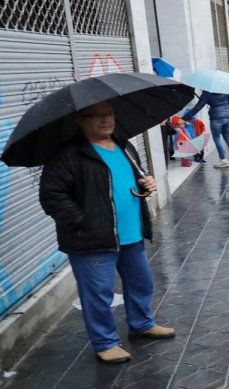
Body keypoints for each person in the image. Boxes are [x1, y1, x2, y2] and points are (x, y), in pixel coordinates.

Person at [38, 101, 174, 364]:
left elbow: (132, 179)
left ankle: (142, 323)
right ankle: (105, 342)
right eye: (97, 116)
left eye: (109, 114)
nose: (106, 120)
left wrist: (145, 183)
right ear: (80, 120)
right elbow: (52, 196)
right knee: (99, 293)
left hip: (131, 233)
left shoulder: (124, 146)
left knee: (141, 282)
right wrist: (83, 222)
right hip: (92, 239)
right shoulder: (68, 155)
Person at [183, 90, 229, 168]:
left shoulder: (207, 93)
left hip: (216, 118)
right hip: (228, 116)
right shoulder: (224, 90)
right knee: (228, 137)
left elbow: (198, 107)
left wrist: (184, 118)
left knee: (217, 138)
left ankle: (223, 160)